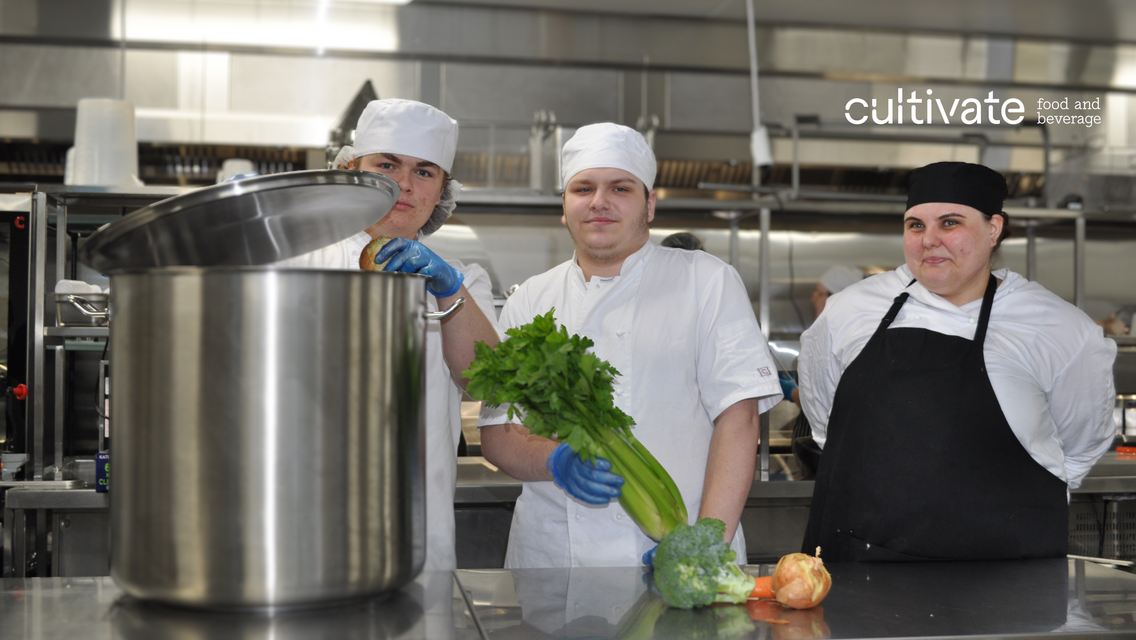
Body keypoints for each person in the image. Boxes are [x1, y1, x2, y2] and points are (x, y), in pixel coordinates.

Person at [477, 123, 783, 568]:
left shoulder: (706, 280)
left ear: (650, 205)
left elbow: (738, 419)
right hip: (552, 561)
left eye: (620, 188)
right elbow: (498, 434)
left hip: (683, 544)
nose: (599, 202)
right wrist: (556, 459)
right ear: (564, 207)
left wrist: (703, 542)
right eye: (583, 188)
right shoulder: (530, 299)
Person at [798, 161, 1117, 562]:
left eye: (949, 223)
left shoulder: (1060, 329)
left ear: (993, 229)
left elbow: (1082, 445)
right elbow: (829, 423)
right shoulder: (850, 310)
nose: (928, 240)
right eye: (915, 225)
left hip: (1003, 577)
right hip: (863, 562)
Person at [276, 98, 501, 571]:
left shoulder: (463, 280)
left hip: (415, 531)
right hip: (301, 524)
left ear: (441, 191)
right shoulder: (294, 260)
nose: (403, 183)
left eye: (424, 172)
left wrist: (448, 292)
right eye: (387, 164)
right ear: (351, 169)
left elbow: (487, 383)